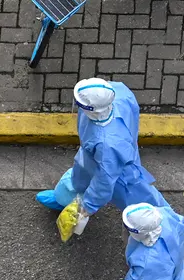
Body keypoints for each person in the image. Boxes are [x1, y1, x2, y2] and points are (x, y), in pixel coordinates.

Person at [35, 78, 168, 241]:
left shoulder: (108, 145)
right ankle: (62, 197)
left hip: (121, 174)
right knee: (78, 179)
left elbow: (104, 181)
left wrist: (87, 207)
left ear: (91, 109)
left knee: (142, 203)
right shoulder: (119, 91)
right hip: (98, 158)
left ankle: (168, 226)